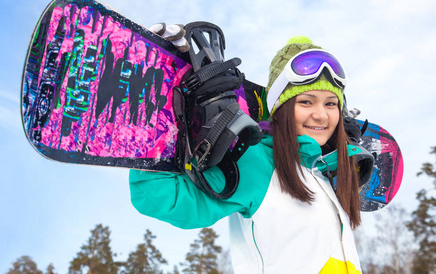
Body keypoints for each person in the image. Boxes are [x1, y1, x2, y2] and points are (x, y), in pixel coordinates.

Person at [129, 35, 364, 273]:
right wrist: (158, 102)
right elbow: (166, 198)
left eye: (331, 104)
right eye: (306, 102)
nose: (321, 115)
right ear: (280, 108)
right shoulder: (257, 163)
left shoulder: (321, 175)